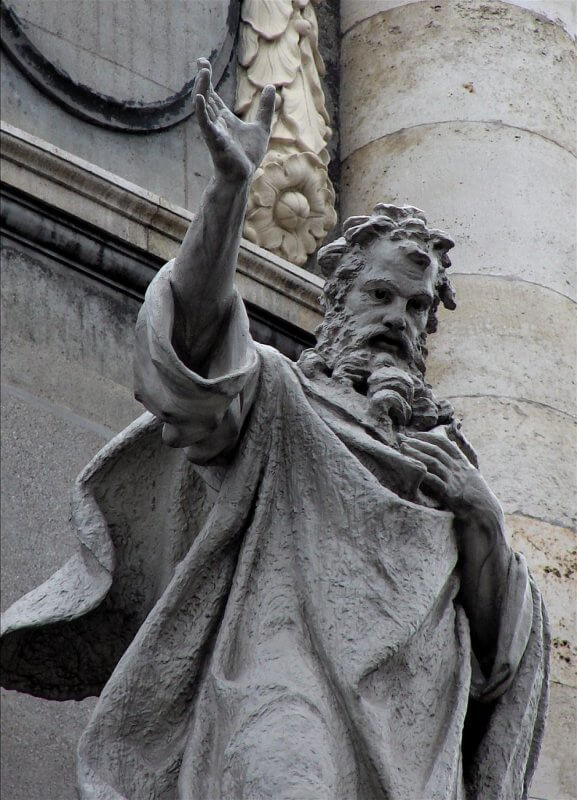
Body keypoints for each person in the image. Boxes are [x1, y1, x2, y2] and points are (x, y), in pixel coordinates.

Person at [1, 60, 548, 800]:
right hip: (281, 688)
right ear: (339, 300)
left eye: (416, 307)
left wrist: (481, 520)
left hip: (412, 731)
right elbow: (191, 347)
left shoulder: (449, 466)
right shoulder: (280, 398)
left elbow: (499, 659)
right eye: (380, 294)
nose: (397, 318)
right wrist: (228, 193)